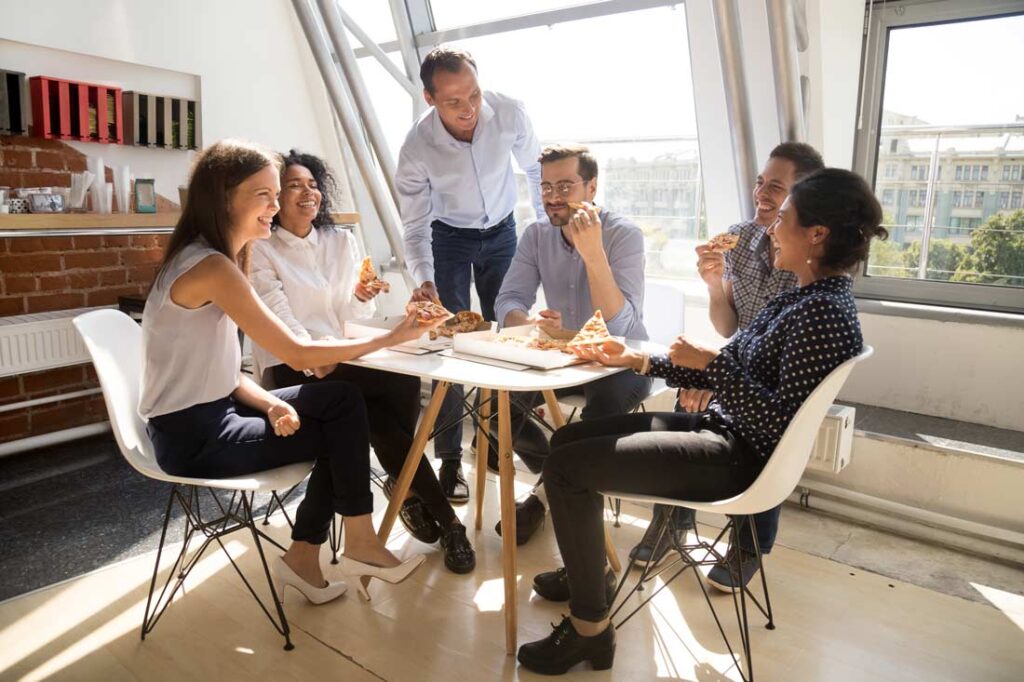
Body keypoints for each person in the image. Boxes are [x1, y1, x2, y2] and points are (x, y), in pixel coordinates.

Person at [517, 168, 886, 675]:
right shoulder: (804, 297)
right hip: (721, 434)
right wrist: (635, 361)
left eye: (783, 220)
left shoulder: (823, 314)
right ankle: (592, 576)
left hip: (738, 458)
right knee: (567, 442)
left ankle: (589, 629)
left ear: (817, 234)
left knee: (566, 470)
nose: (771, 229)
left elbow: (777, 419)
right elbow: (737, 369)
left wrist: (710, 368)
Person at [140, 140, 446, 604]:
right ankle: (344, 545)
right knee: (341, 427)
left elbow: (223, 372)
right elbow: (299, 353)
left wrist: (271, 401)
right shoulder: (212, 268)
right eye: (264, 194)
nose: (276, 205)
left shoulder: (216, 258)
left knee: (342, 400)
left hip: (218, 413)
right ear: (225, 198)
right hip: (191, 438)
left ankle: (316, 554)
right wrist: (392, 336)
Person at [248, 150, 476, 574]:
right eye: (294, 186)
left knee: (400, 382)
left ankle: (408, 487)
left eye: (313, 185)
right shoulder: (260, 249)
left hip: (344, 359)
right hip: (291, 367)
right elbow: (285, 326)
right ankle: (439, 517)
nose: (307, 193)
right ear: (276, 197)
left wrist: (361, 297)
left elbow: (354, 320)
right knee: (371, 409)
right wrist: (325, 355)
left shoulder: (341, 241)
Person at [629, 142, 826, 589]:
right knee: (686, 399)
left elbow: (776, 359)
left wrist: (718, 377)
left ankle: (749, 543)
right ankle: (674, 519)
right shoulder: (740, 238)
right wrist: (715, 284)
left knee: (753, 419)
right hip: (741, 358)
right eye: (760, 183)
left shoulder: (811, 257)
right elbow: (727, 327)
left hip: (776, 378)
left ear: (804, 195)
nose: (762, 193)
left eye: (776, 187)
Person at [396, 46, 545, 503]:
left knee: (510, 337)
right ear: (429, 98)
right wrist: (424, 278)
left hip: (502, 232)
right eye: (454, 102)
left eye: (474, 95)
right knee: (450, 349)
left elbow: (538, 172)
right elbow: (415, 224)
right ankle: (450, 463)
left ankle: (501, 439)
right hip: (450, 239)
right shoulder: (417, 146)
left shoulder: (510, 113)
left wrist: (548, 236)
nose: (469, 109)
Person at [490, 144, 651, 547]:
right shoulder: (536, 235)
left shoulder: (624, 235)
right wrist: (527, 323)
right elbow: (507, 300)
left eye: (565, 185)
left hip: (621, 362)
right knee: (497, 408)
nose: (553, 197)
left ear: (592, 186)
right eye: (545, 187)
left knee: (597, 415)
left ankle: (542, 498)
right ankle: (558, 481)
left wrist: (592, 252)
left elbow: (619, 324)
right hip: (563, 356)